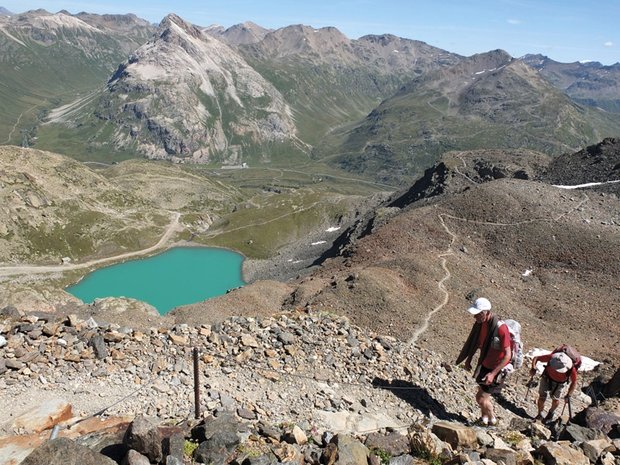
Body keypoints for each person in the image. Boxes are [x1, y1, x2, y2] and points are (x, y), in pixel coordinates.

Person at [455, 297, 512, 426]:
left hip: (497, 369)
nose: (475, 317)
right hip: (486, 365)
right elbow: (477, 343)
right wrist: (469, 359)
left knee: (480, 398)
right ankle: (484, 419)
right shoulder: (481, 325)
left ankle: (493, 421)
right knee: (483, 396)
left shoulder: (501, 329)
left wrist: (492, 374)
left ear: (486, 312)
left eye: (478, 314)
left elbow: (507, 355)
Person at [530, 350, 578, 422]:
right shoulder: (552, 357)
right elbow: (536, 358)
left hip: (560, 383)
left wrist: (569, 394)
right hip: (547, 377)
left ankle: (551, 412)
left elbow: (574, 382)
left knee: (555, 400)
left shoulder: (571, 368)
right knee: (542, 397)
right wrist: (533, 367)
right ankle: (540, 414)